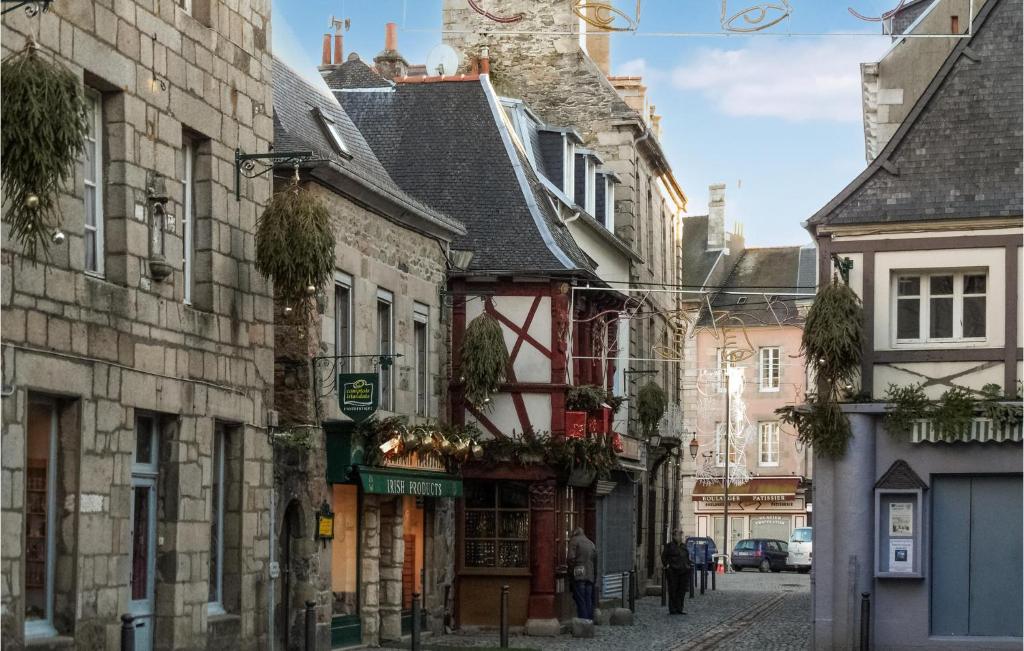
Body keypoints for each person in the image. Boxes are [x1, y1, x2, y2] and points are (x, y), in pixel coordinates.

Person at [566, 527, 597, 620]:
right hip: (590, 574)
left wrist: (571, 571)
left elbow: (571, 558)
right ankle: (589, 621)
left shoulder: (574, 541)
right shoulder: (590, 543)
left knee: (581, 599)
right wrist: (594, 575)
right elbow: (595, 560)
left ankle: (583, 622)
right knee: (588, 599)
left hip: (579, 573)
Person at [661, 529, 692, 615]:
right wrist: (667, 566)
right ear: (674, 536)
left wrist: (688, 565)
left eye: (681, 535)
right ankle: (673, 609)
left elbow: (687, 557)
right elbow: (664, 557)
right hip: (673, 572)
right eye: (679, 535)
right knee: (673, 590)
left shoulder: (683, 546)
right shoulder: (669, 546)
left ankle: (680, 608)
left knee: (681, 591)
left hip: (684, 571)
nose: (681, 537)